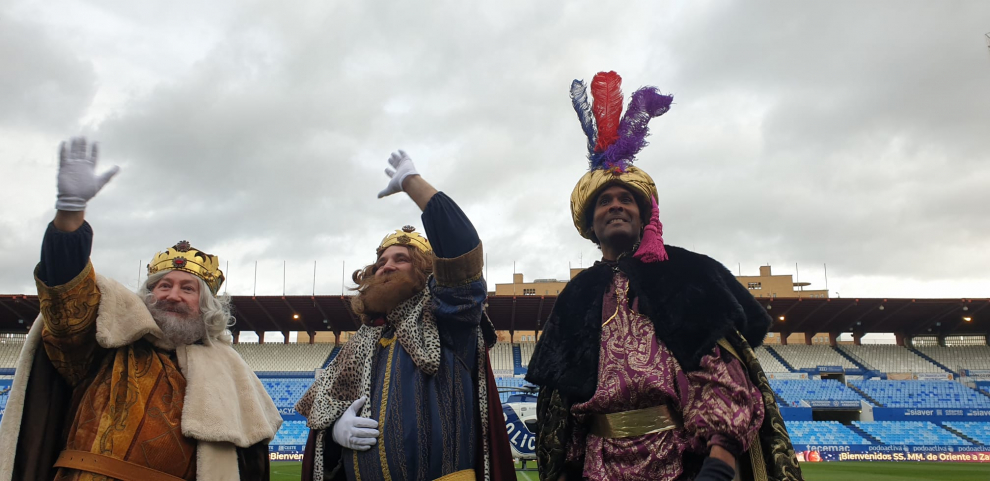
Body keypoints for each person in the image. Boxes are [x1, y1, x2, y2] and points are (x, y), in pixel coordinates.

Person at [525, 72, 803, 481]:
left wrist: (720, 462)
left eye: (626, 199)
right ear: (590, 220)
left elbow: (722, 370)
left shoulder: (686, 272)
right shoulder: (577, 295)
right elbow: (559, 402)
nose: (616, 206)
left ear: (644, 214)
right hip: (596, 467)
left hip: (683, 463)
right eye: (605, 201)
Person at [0, 138, 282, 481]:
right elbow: (67, 302)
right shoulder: (107, 344)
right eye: (162, 285)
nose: (172, 295)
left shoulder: (233, 373)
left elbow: (250, 467)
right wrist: (70, 214)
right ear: (147, 296)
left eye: (187, 288)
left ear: (206, 307)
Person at [295, 150, 515, 481]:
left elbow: (462, 251)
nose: (386, 267)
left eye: (401, 259)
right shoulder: (359, 344)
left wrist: (413, 183)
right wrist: (334, 431)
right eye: (381, 262)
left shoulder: (447, 318)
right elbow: (320, 415)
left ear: (427, 269)